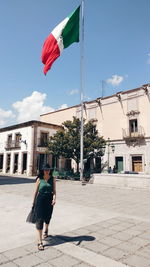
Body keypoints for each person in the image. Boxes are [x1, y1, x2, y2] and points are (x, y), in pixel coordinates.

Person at [32, 163, 56, 251]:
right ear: (42, 170)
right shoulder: (39, 179)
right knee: (39, 219)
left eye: (48, 169)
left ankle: (46, 229)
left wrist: (54, 199)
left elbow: (54, 191)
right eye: (45, 170)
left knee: (48, 217)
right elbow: (35, 192)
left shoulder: (53, 179)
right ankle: (40, 241)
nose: (47, 171)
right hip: (40, 200)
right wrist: (33, 203)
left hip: (49, 201)